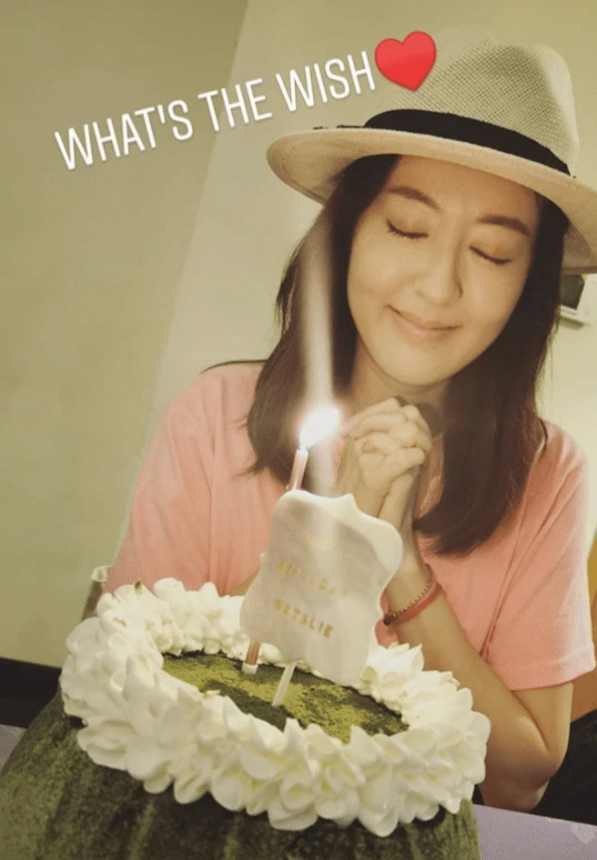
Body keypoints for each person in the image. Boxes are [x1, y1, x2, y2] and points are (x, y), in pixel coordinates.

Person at [104, 28, 597, 820]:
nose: (437, 287)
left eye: (492, 253)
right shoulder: (214, 415)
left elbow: (522, 776)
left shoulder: (549, 471)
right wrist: (330, 535)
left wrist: (399, 566)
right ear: (347, 232)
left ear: (529, 288)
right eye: (406, 228)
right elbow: (123, 688)